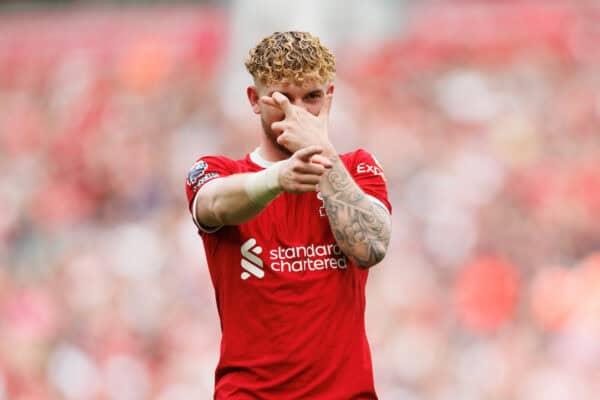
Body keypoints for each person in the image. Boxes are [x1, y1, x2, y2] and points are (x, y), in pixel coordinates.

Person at [185, 31, 392, 399]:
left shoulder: (357, 168)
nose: (298, 112)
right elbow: (213, 204)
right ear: (254, 100)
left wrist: (323, 157)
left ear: (328, 98)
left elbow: (370, 247)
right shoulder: (218, 170)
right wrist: (278, 178)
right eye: (283, 98)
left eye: (311, 97)